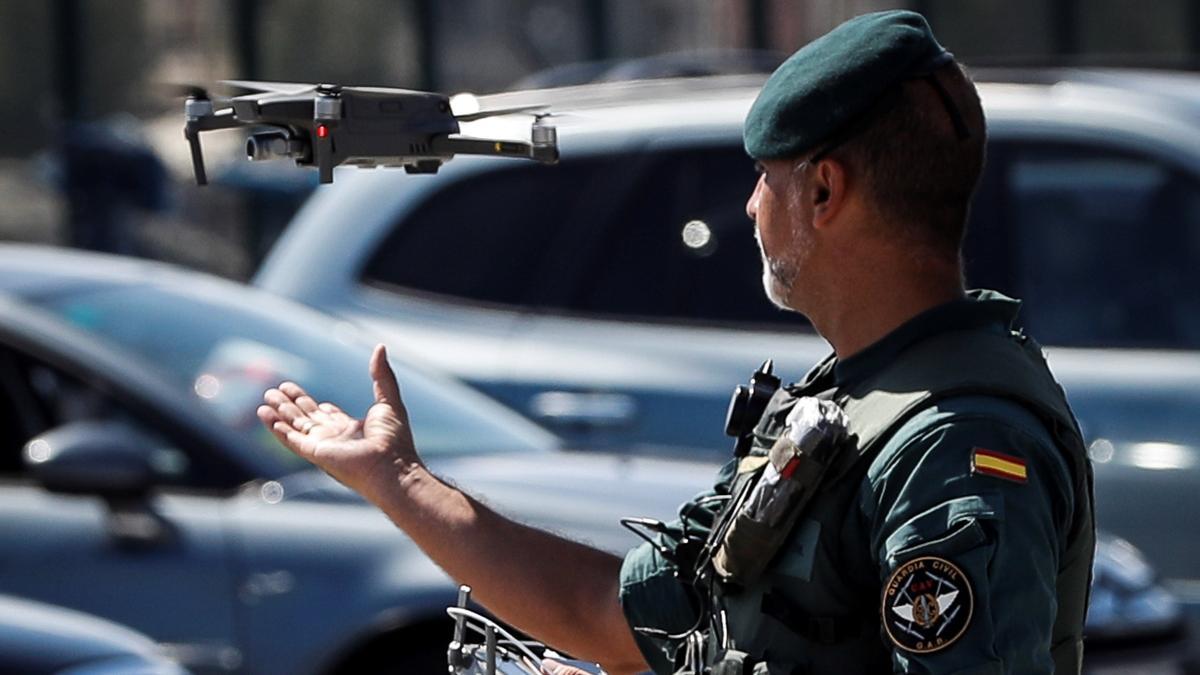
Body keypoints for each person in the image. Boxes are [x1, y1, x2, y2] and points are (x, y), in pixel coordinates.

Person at [257, 10, 1094, 675]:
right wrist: (398, 479)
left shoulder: (955, 443)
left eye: (767, 178)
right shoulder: (853, 399)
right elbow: (614, 620)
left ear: (827, 191)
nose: (750, 207)